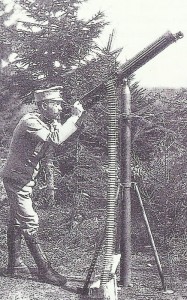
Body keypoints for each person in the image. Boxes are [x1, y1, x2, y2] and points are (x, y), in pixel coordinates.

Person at [1, 86, 85, 286]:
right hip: (16, 179)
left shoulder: (46, 121)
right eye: (55, 104)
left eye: (58, 103)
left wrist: (70, 120)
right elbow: (55, 140)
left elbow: (56, 136)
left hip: (23, 178)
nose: (58, 107)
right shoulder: (30, 121)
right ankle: (44, 270)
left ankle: (15, 264)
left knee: (16, 220)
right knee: (30, 221)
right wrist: (73, 118)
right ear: (43, 105)